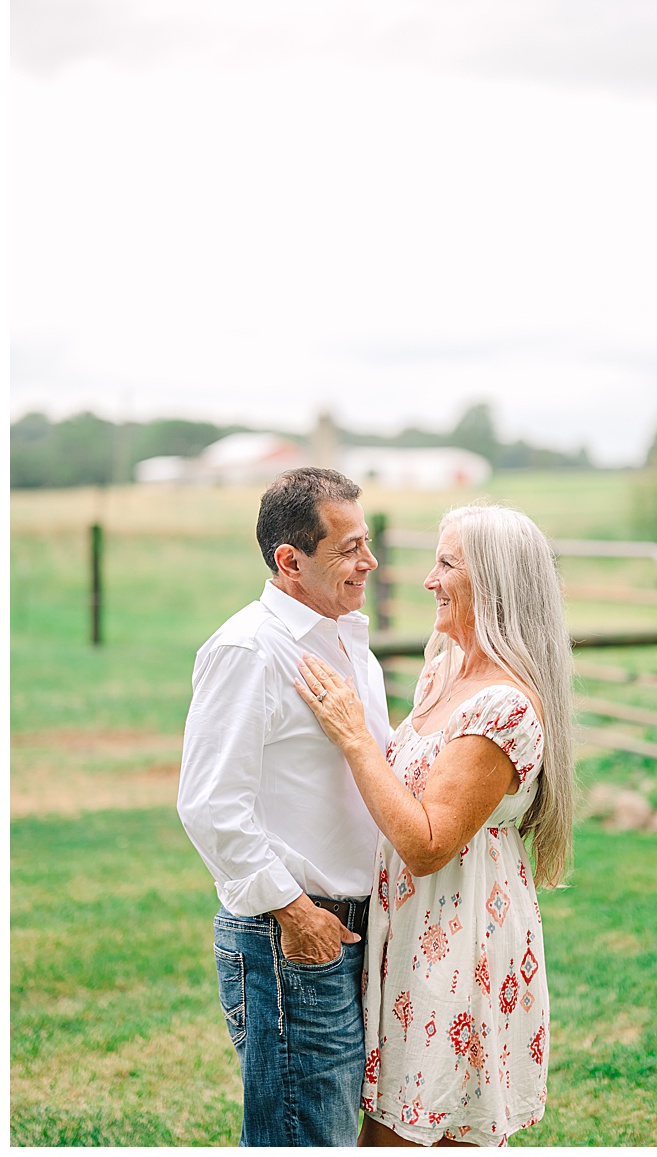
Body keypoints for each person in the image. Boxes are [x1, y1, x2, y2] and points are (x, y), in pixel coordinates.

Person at [293, 503, 575, 1147]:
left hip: (457, 942)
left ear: (494, 581)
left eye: (446, 563)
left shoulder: (502, 705)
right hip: (412, 935)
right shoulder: (446, 667)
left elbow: (426, 845)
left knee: (421, 1133)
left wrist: (354, 737)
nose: (428, 579)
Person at [178, 467, 391, 1146]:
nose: (370, 560)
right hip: (292, 939)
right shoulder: (249, 649)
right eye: (349, 547)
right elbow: (210, 803)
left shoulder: (349, 640)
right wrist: (296, 913)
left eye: (367, 541)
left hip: (357, 933)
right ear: (289, 561)